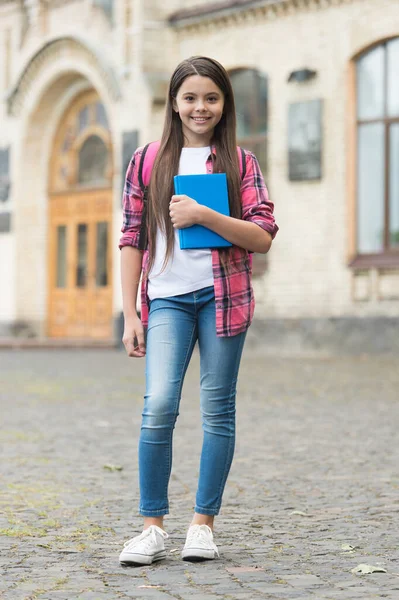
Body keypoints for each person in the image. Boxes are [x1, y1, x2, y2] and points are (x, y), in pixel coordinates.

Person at [118, 56, 278, 566]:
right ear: (173, 102)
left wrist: (205, 214)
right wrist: (129, 313)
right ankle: (152, 527)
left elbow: (263, 236)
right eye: (190, 97)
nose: (200, 107)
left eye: (211, 97)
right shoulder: (147, 160)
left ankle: (202, 525)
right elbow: (130, 239)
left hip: (222, 299)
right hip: (166, 299)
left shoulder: (240, 162)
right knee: (159, 404)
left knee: (217, 409)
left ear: (224, 103)